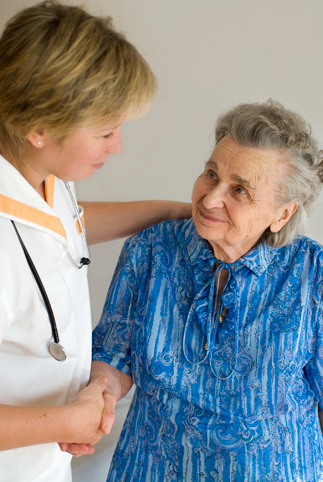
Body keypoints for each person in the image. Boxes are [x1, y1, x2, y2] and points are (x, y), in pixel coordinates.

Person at [0, 1, 191, 481]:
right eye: (106, 131)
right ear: (38, 128)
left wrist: (175, 213)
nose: (118, 145)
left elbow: (63, 227)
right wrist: (69, 419)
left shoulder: (39, 174)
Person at [90, 100, 323, 481]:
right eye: (211, 174)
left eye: (240, 190)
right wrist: (100, 392)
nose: (211, 199)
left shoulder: (313, 274)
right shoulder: (152, 249)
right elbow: (113, 354)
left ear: (282, 214)